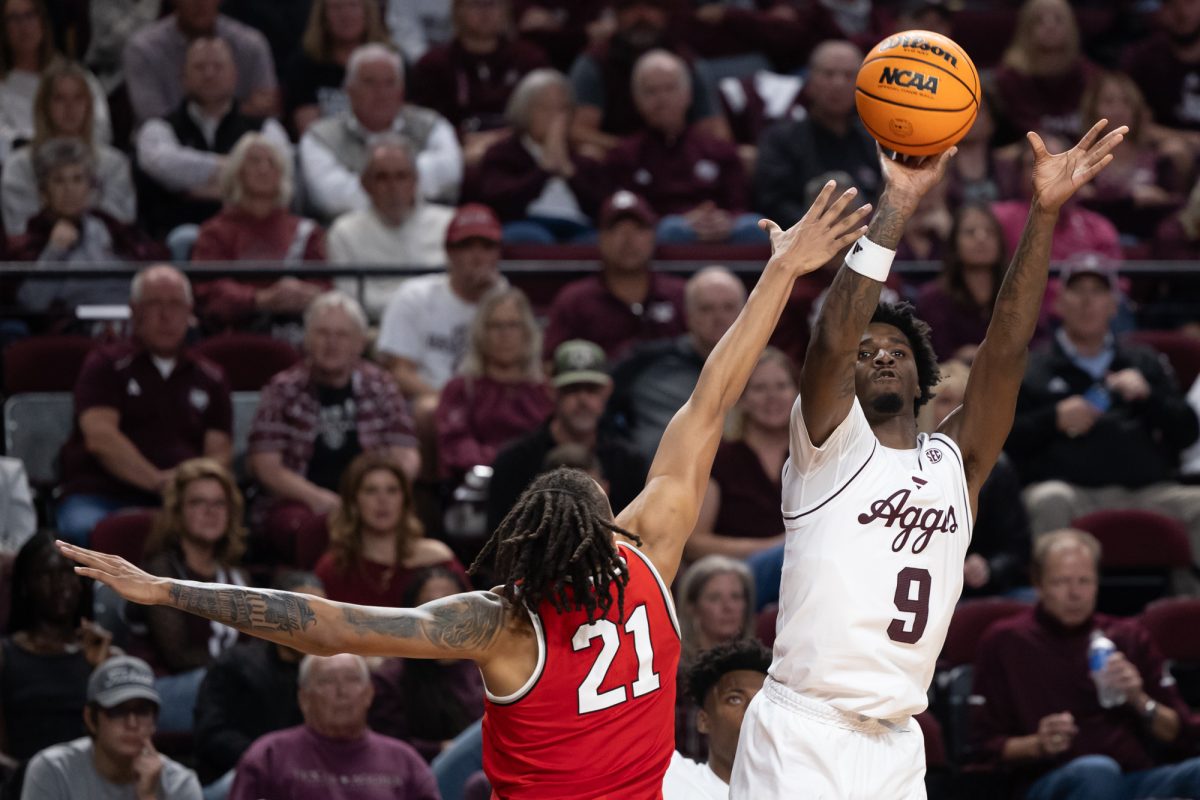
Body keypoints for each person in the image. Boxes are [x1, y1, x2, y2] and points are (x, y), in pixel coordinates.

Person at [58, 174, 872, 797]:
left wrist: (168, 591)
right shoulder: (650, 549)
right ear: (601, 529)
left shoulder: (499, 621)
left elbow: (322, 625)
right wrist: (783, 272)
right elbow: (712, 395)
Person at [728, 120, 1128, 799]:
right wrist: (900, 203)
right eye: (868, 351)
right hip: (803, 731)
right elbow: (829, 343)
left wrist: (1044, 213)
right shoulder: (825, 443)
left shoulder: (955, 464)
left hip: (897, 744)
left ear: (923, 380)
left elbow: (1005, 352)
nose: (880, 354)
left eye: (898, 351)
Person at [970, 529, 1200, 799]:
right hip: (1049, 780)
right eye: (1061, 582)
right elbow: (980, 748)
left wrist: (1139, 699)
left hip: (1135, 781)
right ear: (1038, 584)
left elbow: (1182, 734)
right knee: (1098, 773)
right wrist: (1038, 744)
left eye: (1084, 581)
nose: (1075, 594)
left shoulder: (1129, 636)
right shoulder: (1005, 641)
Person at [1006, 257, 1200, 557]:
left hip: (1148, 491)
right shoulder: (1033, 366)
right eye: (1077, 291)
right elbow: (1004, 440)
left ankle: (1187, 599)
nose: (1087, 301)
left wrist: (1149, 398)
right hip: (1072, 492)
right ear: (1058, 303)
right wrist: (1053, 419)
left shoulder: (1144, 361)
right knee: (1047, 500)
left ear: (1114, 305)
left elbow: (1188, 432)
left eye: (1097, 291)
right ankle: (1052, 597)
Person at [56, 265, 234, 546]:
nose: (166, 316)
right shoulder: (106, 364)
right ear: (134, 310)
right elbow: (100, 438)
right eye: (155, 304)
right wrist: (159, 482)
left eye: (175, 304)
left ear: (190, 312)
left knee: (227, 532)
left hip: (184, 502)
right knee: (82, 530)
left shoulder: (211, 376)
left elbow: (219, 453)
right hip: (102, 493)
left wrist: (185, 489)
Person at [248, 291, 419, 569]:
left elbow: (407, 455)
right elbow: (266, 466)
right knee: (313, 528)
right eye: (323, 333)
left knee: (401, 518)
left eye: (342, 335)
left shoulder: (381, 386)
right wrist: (319, 498)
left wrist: (382, 494)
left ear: (360, 343)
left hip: (369, 495)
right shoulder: (282, 388)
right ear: (306, 340)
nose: (332, 343)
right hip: (303, 500)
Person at [133, 36, 291, 246]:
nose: (209, 74)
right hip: (170, 244)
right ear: (183, 76)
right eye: (199, 67)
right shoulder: (157, 128)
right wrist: (239, 175)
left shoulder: (266, 128)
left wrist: (191, 187)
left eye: (218, 66)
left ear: (235, 74)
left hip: (250, 242)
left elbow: (283, 174)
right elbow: (163, 166)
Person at [487, 338, 648, 534]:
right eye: (571, 389)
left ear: (607, 391)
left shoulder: (628, 465)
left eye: (591, 389)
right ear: (552, 392)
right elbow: (499, 546)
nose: (582, 400)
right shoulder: (514, 463)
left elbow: (641, 539)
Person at [135, 459, 249, 734]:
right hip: (168, 688)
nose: (210, 512)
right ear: (178, 512)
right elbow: (176, 654)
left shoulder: (238, 577)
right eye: (198, 503)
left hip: (225, 684)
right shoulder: (161, 572)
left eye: (219, 504)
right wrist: (246, 669)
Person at [227, 653, 438, 800]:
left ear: (369, 694)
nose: (341, 691)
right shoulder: (268, 756)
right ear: (304, 698)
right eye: (327, 681)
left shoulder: (405, 760)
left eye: (352, 680)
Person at [606, 49, 761, 245]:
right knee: (670, 229)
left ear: (688, 94)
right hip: (662, 234)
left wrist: (724, 219)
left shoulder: (720, 150)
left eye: (669, 89)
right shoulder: (624, 155)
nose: (662, 99)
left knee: (753, 226)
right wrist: (685, 219)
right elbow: (629, 214)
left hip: (722, 228)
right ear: (637, 99)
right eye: (651, 91)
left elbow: (740, 204)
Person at [193, 572, 325, 793]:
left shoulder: (327, 674)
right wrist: (269, 760)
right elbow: (211, 734)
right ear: (275, 612)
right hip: (237, 773)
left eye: (320, 612)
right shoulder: (235, 664)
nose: (310, 621)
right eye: (300, 609)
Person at [11, 137, 167, 322]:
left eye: (77, 179)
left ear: (90, 187)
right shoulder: (30, 240)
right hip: (75, 328)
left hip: (133, 319)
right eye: (58, 181)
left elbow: (154, 269)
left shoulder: (113, 228)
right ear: (43, 193)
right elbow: (31, 304)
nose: (69, 189)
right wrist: (54, 252)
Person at [299, 43, 462, 219]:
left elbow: (450, 174)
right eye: (370, 82)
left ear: (402, 91)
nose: (381, 92)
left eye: (389, 82)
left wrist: (369, 185)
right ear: (349, 90)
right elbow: (331, 197)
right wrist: (408, 183)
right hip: (353, 234)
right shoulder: (320, 136)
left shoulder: (432, 124)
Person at [191, 132, 327, 336]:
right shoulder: (214, 232)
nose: (263, 169)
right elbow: (208, 291)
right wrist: (259, 299)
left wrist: (308, 294)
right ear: (237, 172)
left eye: (271, 163)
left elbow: (326, 285)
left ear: (282, 174)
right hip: (233, 336)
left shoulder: (307, 231)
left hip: (298, 335)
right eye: (254, 161)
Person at [376, 203, 505, 409]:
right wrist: (449, 404)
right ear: (449, 252)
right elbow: (399, 372)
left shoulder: (505, 302)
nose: (477, 257)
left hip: (489, 407)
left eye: (486, 246)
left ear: (498, 253)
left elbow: (517, 368)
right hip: (428, 403)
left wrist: (492, 301)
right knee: (430, 409)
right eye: (466, 246)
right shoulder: (414, 296)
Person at [609, 266, 746, 460]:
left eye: (728, 307)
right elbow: (601, 402)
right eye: (706, 308)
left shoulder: (766, 368)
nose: (719, 317)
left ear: (745, 313)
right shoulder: (645, 362)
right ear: (687, 315)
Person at [20, 655, 202, 800]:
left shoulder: (180, 784)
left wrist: (147, 796)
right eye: (118, 711)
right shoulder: (53, 770)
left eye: (142, 711)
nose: (132, 723)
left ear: (155, 721)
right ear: (91, 718)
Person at [0, 533, 113, 767]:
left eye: (68, 572)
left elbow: (120, 742)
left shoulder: (105, 655)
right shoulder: (5, 656)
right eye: (45, 574)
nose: (60, 584)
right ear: (24, 585)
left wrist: (100, 669)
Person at [542, 190, 687, 361]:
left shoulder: (680, 295)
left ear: (653, 236)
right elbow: (552, 364)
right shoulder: (574, 301)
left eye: (638, 229)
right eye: (616, 229)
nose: (628, 239)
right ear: (600, 238)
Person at [568, 0, 726, 155]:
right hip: (620, 161)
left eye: (652, 5)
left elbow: (715, 133)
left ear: (665, 14)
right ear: (616, 15)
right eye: (630, 6)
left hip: (683, 160)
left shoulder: (689, 63)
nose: (641, 15)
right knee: (589, 152)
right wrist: (637, 153)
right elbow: (579, 133)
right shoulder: (594, 64)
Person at [753, 39, 881, 227]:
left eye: (848, 75)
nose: (838, 83)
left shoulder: (874, 141)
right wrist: (820, 231)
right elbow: (772, 203)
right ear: (809, 80)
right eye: (828, 74)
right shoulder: (780, 139)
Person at [470, 67, 606, 243]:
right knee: (530, 237)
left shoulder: (584, 158)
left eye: (562, 109)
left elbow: (603, 208)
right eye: (545, 108)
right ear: (523, 110)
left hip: (578, 226)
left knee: (600, 242)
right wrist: (543, 172)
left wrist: (570, 174)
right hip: (526, 223)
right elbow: (499, 202)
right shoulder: (502, 153)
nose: (555, 118)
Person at [313, 453, 467, 607]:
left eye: (392, 490)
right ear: (354, 502)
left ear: (404, 500)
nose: (382, 500)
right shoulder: (334, 567)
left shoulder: (437, 559)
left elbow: (473, 617)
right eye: (371, 490)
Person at [326, 136, 455, 318]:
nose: (393, 187)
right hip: (375, 330)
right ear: (365, 184)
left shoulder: (449, 223)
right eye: (382, 178)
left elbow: (459, 289)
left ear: (415, 181)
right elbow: (351, 300)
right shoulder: (344, 231)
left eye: (401, 176)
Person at [1, 59, 133, 237]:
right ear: (44, 106)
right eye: (59, 99)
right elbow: (18, 230)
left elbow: (121, 226)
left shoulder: (114, 164)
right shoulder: (19, 166)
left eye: (78, 98)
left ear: (89, 104)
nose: (70, 108)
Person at [435, 287, 554, 480]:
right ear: (481, 332)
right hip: (481, 484)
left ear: (527, 332)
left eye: (512, 325)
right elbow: (455, 445)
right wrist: (503, 463)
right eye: (495, 326)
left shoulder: (545, 391)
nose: (504, 334)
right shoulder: (461, 389)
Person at [408, 0, 548, 164]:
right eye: (476, 4)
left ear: (506, 9)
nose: (485, 12)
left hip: (521, 150)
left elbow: (546, 114)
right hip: (457, 152)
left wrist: (502, 139)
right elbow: (425, 122)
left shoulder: (530, 59)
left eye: (492, 4)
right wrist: (461, 139)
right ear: (458, 10)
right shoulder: (433, 65)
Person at [368, 566, 485, 760]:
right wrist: (441, 750)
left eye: (452, 605)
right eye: (431, 605)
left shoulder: (484, 666)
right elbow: (387, 743)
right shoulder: (391, 677)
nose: (442, 615)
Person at [687, 348, 794, 561]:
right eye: (759, 388)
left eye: (781, 386)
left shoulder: (814, 455)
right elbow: (694, 543)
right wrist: (774, 550)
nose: (772, 397)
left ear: (797, 393)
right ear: (742, 399)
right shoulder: (718, 458)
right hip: (738, 579)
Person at [122, 0, 277, 125]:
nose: (200, 3)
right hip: (167, 149)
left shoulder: (250, 45)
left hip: (239, 149)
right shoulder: (143, 49)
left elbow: (266, 110)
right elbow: (154, 121)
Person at [0, 0, 111, 162]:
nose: (23, 26)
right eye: (13, 18)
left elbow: (100, 129)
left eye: (30, 15)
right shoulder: (3, 85)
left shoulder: (75, 75)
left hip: (82, 166)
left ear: (42, 21)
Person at [663, 640, 770, 800]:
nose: (752, 710)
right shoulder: (672, 779)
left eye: (762, 700)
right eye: (735, 699)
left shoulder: (805, 788)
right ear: (704, 721)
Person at [991, 131, 1122, 262]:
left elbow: (1118, 281)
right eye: (1034, 164)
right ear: (1019, 174)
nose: (1046, 173)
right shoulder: (997, 220)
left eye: (1057, 165)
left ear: (1075, 171)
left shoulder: (1099, 229)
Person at [915, 202, 1010, 364]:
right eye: (970, 232)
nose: (981, 238)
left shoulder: (1015, 296)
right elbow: (934, 357)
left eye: (989, 232)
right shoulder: (933, 298)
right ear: (954, 244)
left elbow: (1034, 347)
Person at [990, 0, 1098, 141]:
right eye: (1039, 20)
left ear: (1071, 28)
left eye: (1058, 19)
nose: (1050, 26)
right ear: (1026, 28)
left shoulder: (1087, 73)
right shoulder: (1009, 77)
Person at [285, 0, 391, 135]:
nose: (345, 15)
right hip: (325, 149)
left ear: (368, 12)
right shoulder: (304, 65)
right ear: (323, 16)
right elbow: (310, 131)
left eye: (353, 5)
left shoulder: (391, 62)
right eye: (336, 7)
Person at [1123, 0, 1200, 132]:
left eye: (1189, 2)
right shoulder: (1141, 59)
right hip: (1158, 147)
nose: (1182, 14)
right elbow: (1125, 120)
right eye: (1172, 5)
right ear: (1160, 11)